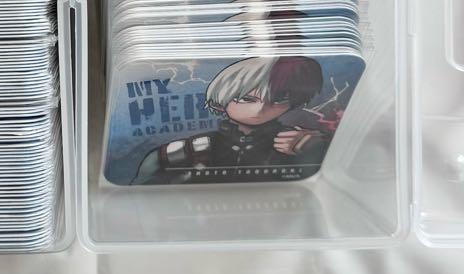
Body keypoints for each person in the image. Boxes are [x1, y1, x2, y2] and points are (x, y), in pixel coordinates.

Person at [133, 55, 330, 185]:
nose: (260, 109)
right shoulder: (181, 151)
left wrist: (315, 148)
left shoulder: (302, 143)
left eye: (278, 100)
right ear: (223, 98)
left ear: (294, 102)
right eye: (246, 99)